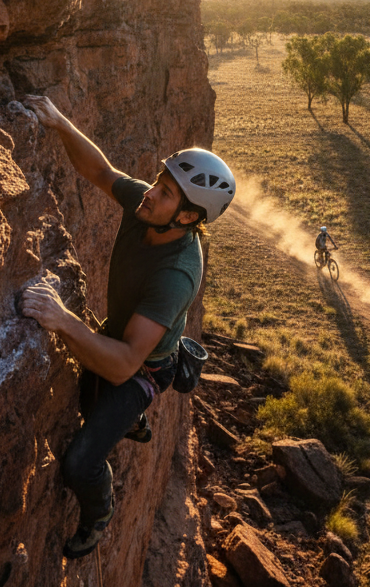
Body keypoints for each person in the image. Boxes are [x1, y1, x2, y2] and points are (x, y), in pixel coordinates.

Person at [19, 94, 236, 559]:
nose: (150, 192)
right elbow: (101, 171)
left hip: (141, 369)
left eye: (165, 192)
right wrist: (60, 123)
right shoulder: (149, 209)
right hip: (120, 339)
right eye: (159, 182)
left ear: (189, 218)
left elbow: (122, 366)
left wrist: (61, 319)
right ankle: (127, 420)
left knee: (80, 462)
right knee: (87, 396)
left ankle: (99, 511)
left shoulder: (177, 273)